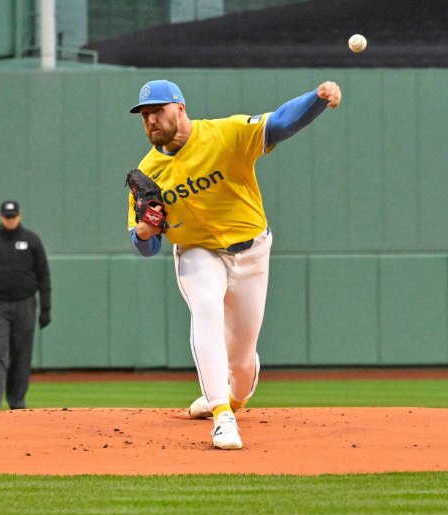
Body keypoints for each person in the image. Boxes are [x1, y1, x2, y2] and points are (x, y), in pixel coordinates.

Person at [126, 78, 343, 450]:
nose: (151, 122)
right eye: (145, 116)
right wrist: (145, 233)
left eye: (157, 112)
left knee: (241, 358)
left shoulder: (225, 134)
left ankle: (235, 398)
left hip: (253, 251)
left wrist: (317, 99)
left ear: (180, 108)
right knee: (206, 310)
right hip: (198, 251)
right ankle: (221, 415)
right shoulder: (148, 173)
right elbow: (144, 245)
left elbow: (279, 124)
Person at [0, 200, 51, 413]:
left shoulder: (31, 240)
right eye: (7, 217)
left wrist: (45, 308)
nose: (10, 220)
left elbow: (43, 275)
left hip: (25, 304)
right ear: (0, 217)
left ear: (19, 216)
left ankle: (17, 403)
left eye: (13, 216)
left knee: (21, 355)